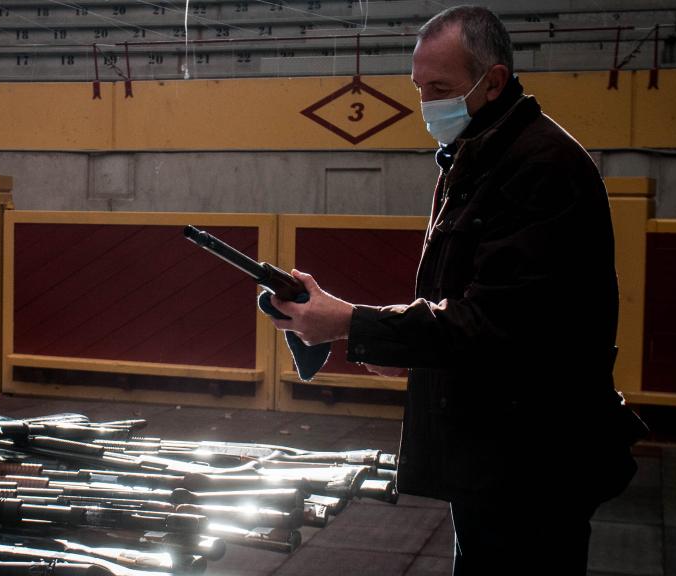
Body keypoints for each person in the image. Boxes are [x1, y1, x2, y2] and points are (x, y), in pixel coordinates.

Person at [268, 6, 643, 575]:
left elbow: (496, 326)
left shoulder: (539, 166)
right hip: (501, 452)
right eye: (420, 88)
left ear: (492, 81)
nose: (427, 104)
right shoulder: (483, 150)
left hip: (534, 458)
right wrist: (399, 350)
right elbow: (459, 304)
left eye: (440, 88)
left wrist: (352, 324)